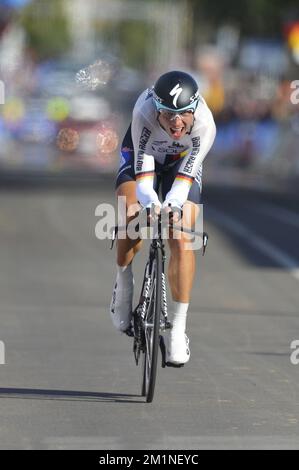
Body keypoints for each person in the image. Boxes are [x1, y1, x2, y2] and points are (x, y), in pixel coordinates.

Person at [110, 70, 216, 365]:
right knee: (132, 214)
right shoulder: (143, 111)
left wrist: (171, 204)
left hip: (182, 163)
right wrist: (150, 203)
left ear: (194, 109)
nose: (176, 122)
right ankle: (123, 284)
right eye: (168, 114)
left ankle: (178, 329)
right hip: (142, 156)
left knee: (182, 235)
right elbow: (143, 180)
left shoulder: (206, 125)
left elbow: (183, 184)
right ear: (156, 108)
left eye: (183, 114)